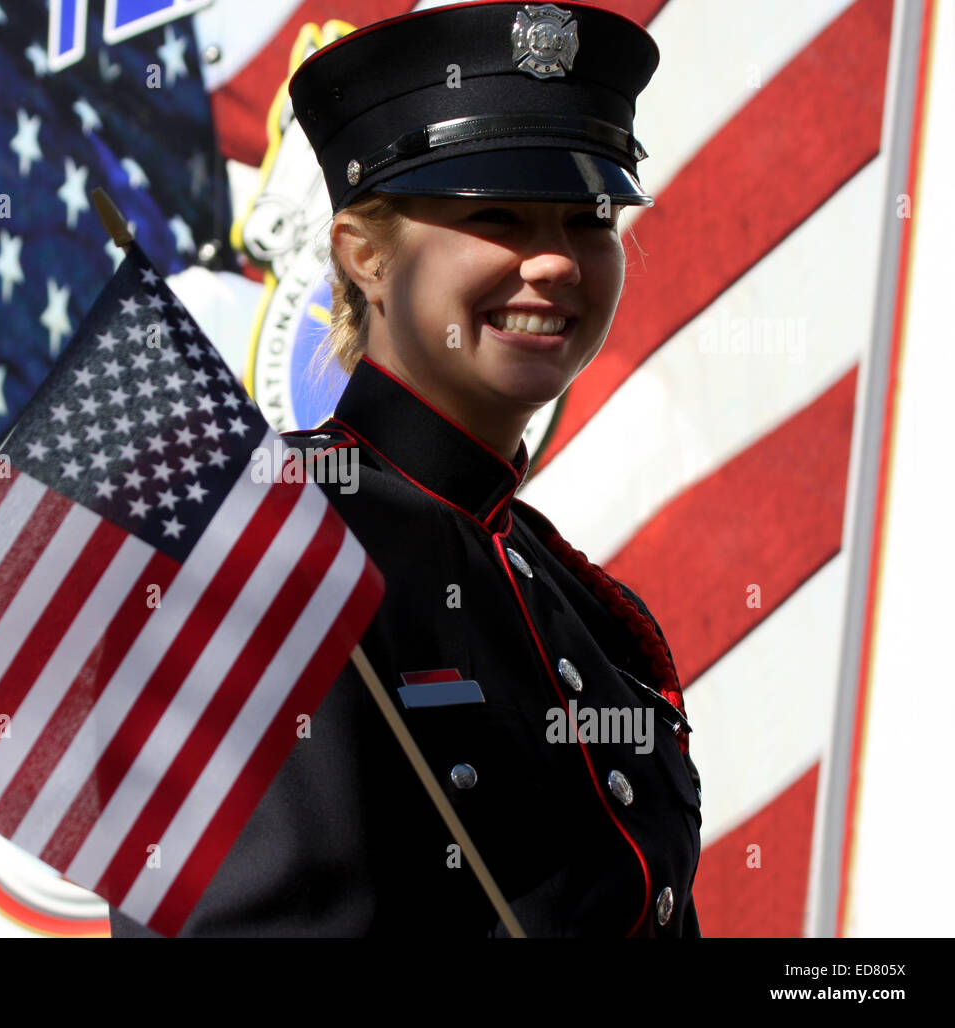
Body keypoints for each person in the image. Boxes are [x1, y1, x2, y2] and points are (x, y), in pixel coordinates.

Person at [110, 0, 702, 937]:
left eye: (589, 217)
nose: (553, 260)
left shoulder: (584, 607)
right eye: (496, 215)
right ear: (364, 254)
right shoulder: (267, 546)